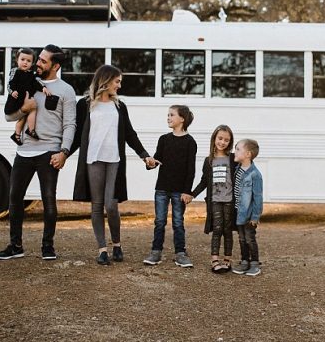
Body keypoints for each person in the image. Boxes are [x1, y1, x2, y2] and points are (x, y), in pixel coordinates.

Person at [0, 44, 76, 261]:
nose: (37, 63)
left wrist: (64, 152)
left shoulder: (66, 90)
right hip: (24, 151)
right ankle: (15, 246)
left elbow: (70, 125)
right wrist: (25, 109)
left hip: (49, 151)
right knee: (14, 198)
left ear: (55, 66)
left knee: (49, 199)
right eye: (37, 59)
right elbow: (9, 117)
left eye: (43, 61)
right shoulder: (24, 81)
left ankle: (47, 247)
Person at [70, 65, 156, 265]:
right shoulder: (85, 104)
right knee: (97, 205)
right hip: (93, 159)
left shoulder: (119, 106)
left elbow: (129, 134)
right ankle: (102, 249)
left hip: (115, 160)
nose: (119, 85)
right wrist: (64, 153)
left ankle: (117, 243)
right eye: (117, 81)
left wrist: (144, 155)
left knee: (111, 204)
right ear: (106, 81)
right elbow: (76, 136)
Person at [143, 105, 197, 268]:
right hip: (162, 189)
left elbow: (191, 170)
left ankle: (180, 253)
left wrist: (187, 191)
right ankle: (156, 252)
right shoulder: (164, 139)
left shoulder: (190, 142)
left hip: (179, 191)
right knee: (159, 221)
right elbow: (156, 161)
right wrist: (150, 163)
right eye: (167, 115)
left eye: (171, 115)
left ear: (182, 119)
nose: (168, 117)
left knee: (178, 222)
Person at [190, 124, 236, 273]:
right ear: (214, 139)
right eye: (220, 138)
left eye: (226, 140)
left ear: (230, 142)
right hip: (215, 200)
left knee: (227, 230)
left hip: (229, 200)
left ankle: (227, 260)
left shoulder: (233, 159)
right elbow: (204, 181)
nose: (222, 142)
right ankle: (215, 260)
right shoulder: (208, 160)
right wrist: (192, 194)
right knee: (217, 229)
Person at [231, 139, 263, 276]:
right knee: (241, 238)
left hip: (249, 214)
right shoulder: (237, 170)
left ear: (248, 154)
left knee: (250, 238)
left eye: (238, 149)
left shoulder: (255, 174)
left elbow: (258, 197)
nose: (234, 151)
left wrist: (255, 216)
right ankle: (245, 261)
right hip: (239, 212)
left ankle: (254, 263)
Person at [5, 48, 48, 145]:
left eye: (28, 61)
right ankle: (17, 134)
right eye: (22, 59)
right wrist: (12, 92)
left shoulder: (31, 74)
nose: (25, 63)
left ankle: (30, 130)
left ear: (32, 63)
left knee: (32, 110)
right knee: (23, 116)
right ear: (17, 60)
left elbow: (36, 83)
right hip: (16, 100)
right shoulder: (15, 71)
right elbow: (9, 84)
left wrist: (43, 88)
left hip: (26, 100)